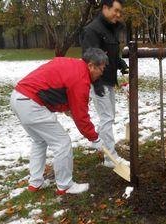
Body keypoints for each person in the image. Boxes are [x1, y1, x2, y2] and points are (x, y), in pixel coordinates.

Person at [10, 48, 108, 195]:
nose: (101, 73)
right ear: (91, 65)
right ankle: (65, 185)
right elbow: (81, 116)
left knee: (39, 141)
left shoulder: (72, 65)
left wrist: (68, 109)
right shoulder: (81, 78)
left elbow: (56, 86)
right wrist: (94, 138)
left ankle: (35, 183)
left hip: (18, 97)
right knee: (62, 143)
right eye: (101, 69)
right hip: (32, 103)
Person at [81, 0, 129, 168]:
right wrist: (97, 84)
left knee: (109, 117)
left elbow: (111, 54)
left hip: (109, 80)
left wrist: (121, 65)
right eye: (115, 10)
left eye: (119, 11)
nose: (118, 14)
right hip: (98, 82)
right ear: (105, 8)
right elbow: (90, 59)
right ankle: (110, 157)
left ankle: (102, 146)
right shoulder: (92, 30)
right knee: (107, 117)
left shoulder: (110, 28)